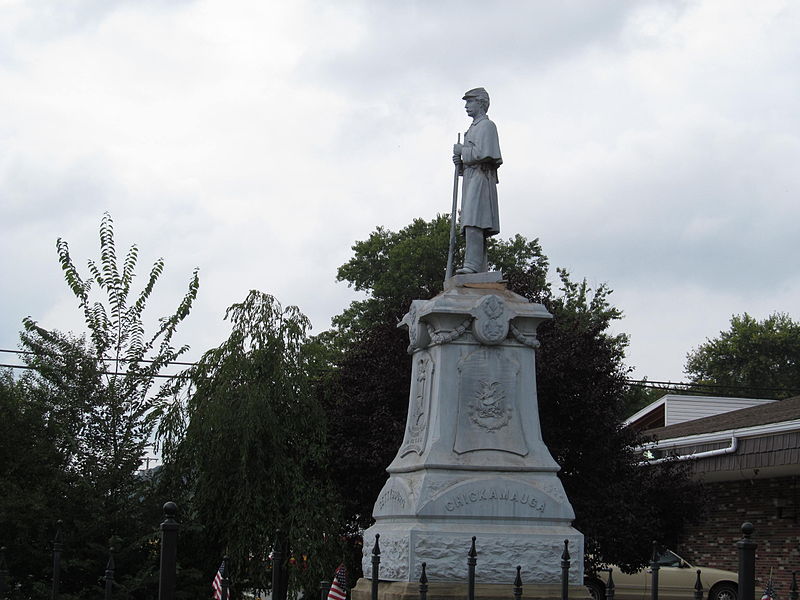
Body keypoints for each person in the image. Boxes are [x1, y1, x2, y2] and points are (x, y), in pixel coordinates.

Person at [452, 87, 502, 274]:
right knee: (470, 222)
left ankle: (472, 265)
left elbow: (484, 154)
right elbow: (472, 156)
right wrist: (461, 163)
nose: (466, 106)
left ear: (481, 103)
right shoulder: (473, 128)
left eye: (470, 101)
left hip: (481, 178)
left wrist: (462, 152)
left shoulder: (487, 126)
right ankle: (479, 266)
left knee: (474, 221)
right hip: (472, 177)